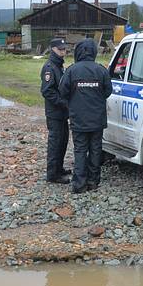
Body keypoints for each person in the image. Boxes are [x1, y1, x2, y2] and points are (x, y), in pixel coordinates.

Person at [58, 37, 113, 193]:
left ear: (78, 52)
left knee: (80, 149)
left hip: (79, 119)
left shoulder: (71, 70)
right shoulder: (101, 70)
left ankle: (79, 184)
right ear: (94, 52)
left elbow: (63, 91)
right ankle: (93, 181)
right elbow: (108, 91)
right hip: (97, 119)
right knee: (96, 149)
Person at [40, 37, 71, 183]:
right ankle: (53, 175)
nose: (63, 52)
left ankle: (59, 168)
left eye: (64, 49)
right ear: (52, 49)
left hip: (62, 112)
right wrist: (63, 102)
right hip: (55, 112)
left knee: (63, 141)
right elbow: (47, 91)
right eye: (60, 49)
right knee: (55, 142)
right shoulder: (50, 67)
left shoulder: (59, 66)